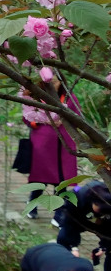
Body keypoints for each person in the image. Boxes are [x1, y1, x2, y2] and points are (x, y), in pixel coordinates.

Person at [27, 85, 83, 217]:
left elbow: (77, 117)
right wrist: (45, 120)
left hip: (63, 145)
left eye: (55, 80)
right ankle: (32, 204)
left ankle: (59, 214)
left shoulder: (69, 98)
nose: (52, 83)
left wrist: (63, 121)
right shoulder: (36, 96)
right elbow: (28, 116)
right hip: (44, 143)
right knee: (41, 178)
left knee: (62, 180)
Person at [56, 179, 111, 250]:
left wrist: (103, 247)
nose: (100, 214)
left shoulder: (107, 198)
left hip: (90, 216)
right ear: (94, 202)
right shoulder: (75, 199)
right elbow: (70, 223)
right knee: (65, 234)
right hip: (77, 216)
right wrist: (74, 247)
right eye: (100, 211)